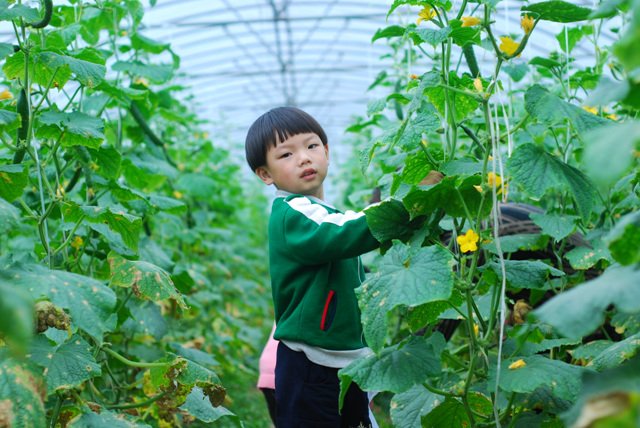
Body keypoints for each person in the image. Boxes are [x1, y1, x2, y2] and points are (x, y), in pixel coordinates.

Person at [246, 106, 442, 427]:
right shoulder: (291, 213)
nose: (304, 158)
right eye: (286, 154)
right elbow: (344, 232)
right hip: (310, 363)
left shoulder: (323, 211)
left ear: (326, 152)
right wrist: (407, 201)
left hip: (342, 360)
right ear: (265, 174)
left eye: (311, 147)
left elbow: (346, 228)